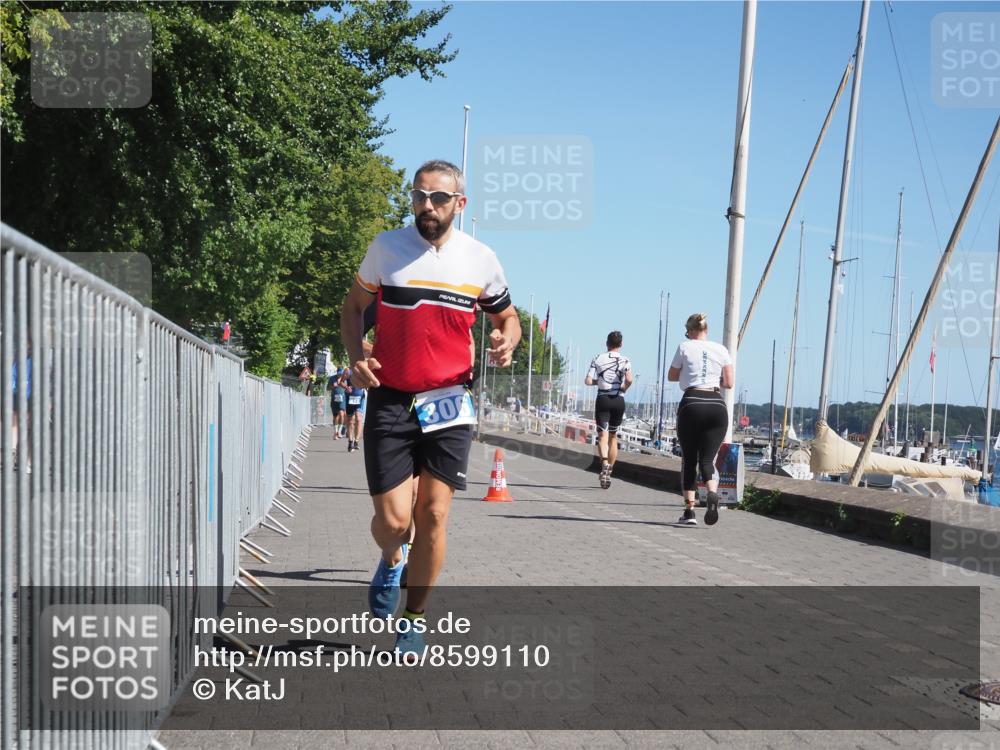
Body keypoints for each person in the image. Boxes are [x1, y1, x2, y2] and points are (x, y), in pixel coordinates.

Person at [340, 159, 521, 658]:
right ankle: (391, 556)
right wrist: (357, 359)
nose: (426, 205)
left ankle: (414, 620)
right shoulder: (386, 248)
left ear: (459, 205)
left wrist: (507, 340)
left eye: (438, 198)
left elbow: (507, 315)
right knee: (397, 522)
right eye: (419, 195)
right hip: (392, 398)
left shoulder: (480, 258)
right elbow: (353, 307)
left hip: (448, 400)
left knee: (435, 514)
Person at [667, 313, 734, 526]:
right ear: (706, 330)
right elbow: (729, 383)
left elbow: (672, 375)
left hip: (692, 402)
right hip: (716, 404)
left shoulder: (685, 346)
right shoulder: (722, 349)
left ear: (691, 330)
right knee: (707, 460)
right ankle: (712, 493)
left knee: (689, 460)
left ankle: (689, 512)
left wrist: (688, 373)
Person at [584, 331, 633, 489]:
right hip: (618, 400)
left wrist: (599, 383)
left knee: (602, 436)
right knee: (613, 437)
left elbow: (588, 380)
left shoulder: (598, 358)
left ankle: (604, 462)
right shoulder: (625, 360)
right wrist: (623, 388)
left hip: (603, 399)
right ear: (621, 344)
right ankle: (609, 470)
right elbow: (630, 379)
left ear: (607, 343)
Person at [328, 367, 346, 439]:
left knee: (342, 414)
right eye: (339, 373)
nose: (340, 375)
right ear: (337, 372)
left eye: (341, 373)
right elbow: (328, 388)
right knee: (335, 416)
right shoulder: (332, 378)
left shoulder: (345, 379)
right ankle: (335, 432)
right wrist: (333, 386)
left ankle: (339, 431)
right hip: (334, 399)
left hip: (342, 399)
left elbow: (347, 387)